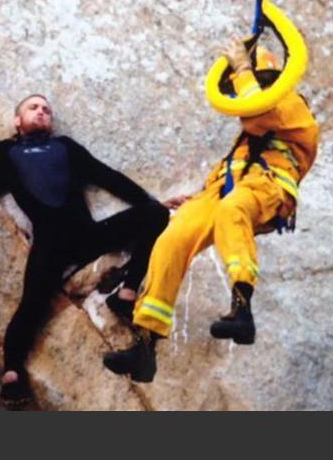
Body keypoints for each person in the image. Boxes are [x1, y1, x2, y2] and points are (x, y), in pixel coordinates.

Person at [103, 38, 319, 383]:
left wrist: (243, 69)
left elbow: (258, 113)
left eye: (259, 80)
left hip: (266, 188)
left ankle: (241, 306)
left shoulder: (295, 109)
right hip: (226, 191)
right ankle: (146, 342)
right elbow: (234, 162)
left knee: (233, 211)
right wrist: (197, 198)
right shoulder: (246, 142)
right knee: (173, 237)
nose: (250, 86)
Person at [0, 94, 170, 406]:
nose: (41, 112)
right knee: (31, 305)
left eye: (46, 110)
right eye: (33, 108)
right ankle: (12, 376)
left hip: (88, 236)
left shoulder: (66, 147)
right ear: (17, 121)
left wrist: (150, 201)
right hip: (50, 245)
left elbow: (107, 177)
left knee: (156, 215)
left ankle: (126, 294)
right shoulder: (6, 151)